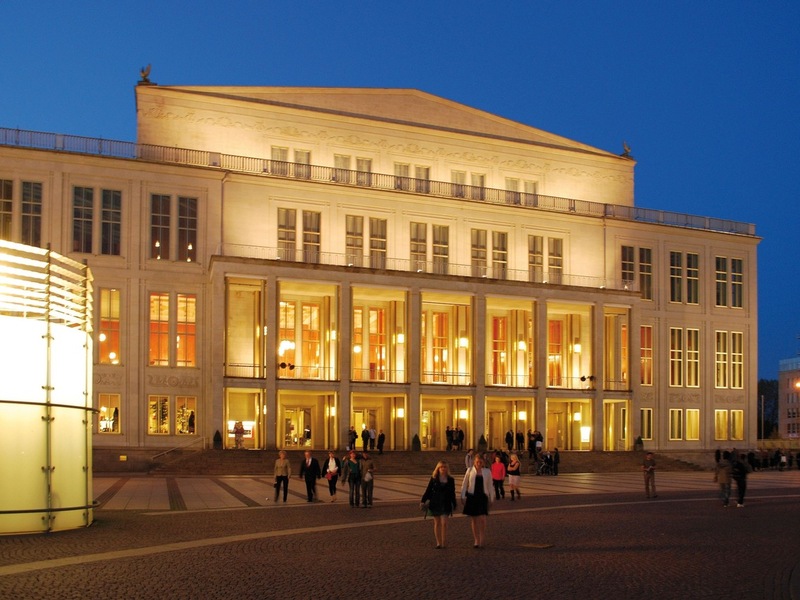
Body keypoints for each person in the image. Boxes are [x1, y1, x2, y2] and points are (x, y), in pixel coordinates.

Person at [420, 461, 457, 549]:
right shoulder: (434, 478)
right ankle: (438, 542)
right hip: (435, 502)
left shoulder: (450, 479)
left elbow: (452, 493)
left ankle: (444, 541)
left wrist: (454, 503)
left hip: (446, 503)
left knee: (444, 523)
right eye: (441, 467)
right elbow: (428, 490)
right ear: (438, 468)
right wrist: (423, 500)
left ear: (447, 468)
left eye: (444, 467)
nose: (443, 468)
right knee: (437, 523)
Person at [461, 454, 493, 548]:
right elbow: (464, 484)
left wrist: (491, 498)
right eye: (477, 462)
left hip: (482, 496)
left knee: (482, 519)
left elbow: (490, 486)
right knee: (474, 519)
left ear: (483, 462)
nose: (479, 463)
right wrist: (462, 496)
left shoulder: (487, 471)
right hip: (472, 496)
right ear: (474, 462)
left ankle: (482, 537)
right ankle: (476, 539)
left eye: (480, 462)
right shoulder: (469, 470)